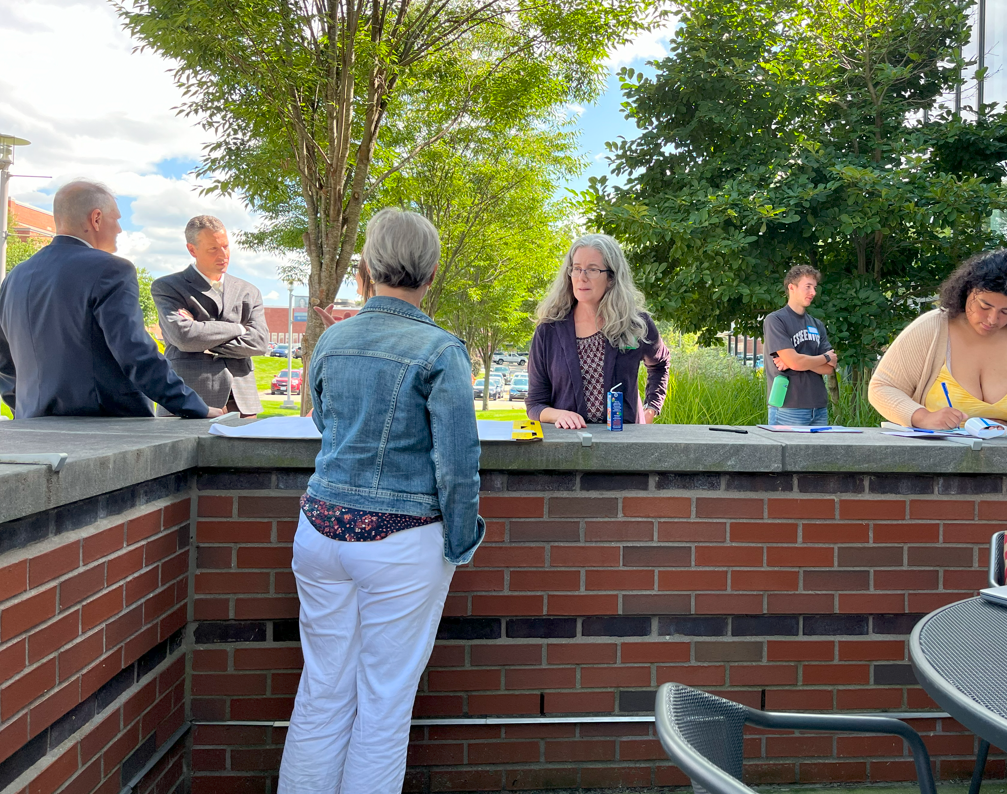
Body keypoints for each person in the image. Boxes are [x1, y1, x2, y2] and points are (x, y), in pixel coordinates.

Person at [277, 209, 483, 794]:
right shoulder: (441, 351)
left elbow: (326, 426)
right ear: (432, 274)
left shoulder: (332, 340)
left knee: (321, 689)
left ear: (365, 269)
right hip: (400, 540)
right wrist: (460, 543)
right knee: (384, 702)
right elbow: (458, 464)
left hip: (319, 532)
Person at [0, 180, 219, 420]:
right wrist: (193, 406)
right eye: (116, 219)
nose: (119, 230)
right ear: (96, 218)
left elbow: (4, 362)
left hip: (32, 425)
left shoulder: (15, 277)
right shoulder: (111, 270)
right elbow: (135, 352)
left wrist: (23, 410)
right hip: (105, 427)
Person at [869, 248, 1007, 430]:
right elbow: (882, 388)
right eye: (984, 306)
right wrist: (922, 417)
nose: (993, 319)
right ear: (967, 291)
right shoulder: (931, 328)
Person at [526, 233, 670, 429]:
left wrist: (650, 408)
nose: (581, 277)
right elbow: (535, 405)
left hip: (625, 446)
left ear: (611, 278)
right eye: (576, 269)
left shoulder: (636, 324)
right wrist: (558, 415)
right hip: (570, 448)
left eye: (592, 270)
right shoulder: (548, 331)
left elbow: (660, 363)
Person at [152, 215, 269, 417]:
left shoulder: (248, 291)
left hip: (242, 403)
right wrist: (239, 329)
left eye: (225, 246)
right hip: (189, 398)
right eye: (213, 249)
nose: (223, 255)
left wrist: (203, 339)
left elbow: (259, 343)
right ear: (192, 249)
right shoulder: (168, 287)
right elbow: (184, 337)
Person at [763, 264, 838, 426]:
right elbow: (823, 360)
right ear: (792, 287)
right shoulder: (776, 320)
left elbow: (830, 367)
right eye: (808, 287)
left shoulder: (817, 324)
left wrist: (796, 362)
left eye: (815, 287)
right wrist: (823, 357)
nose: (813, 292)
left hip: (819, 408)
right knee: (787, 453)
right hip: (788, 408)